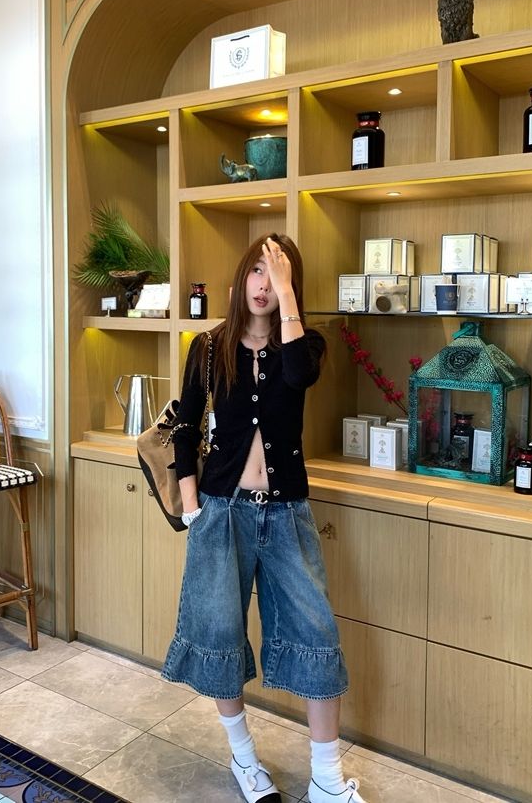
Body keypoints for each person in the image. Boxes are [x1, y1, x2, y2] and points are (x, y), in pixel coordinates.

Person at [162, 234, 366, 803]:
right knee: (220, 633)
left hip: (286, 514)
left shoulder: (304, 345)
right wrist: (191, 506)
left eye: (276, 273)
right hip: (220, 512)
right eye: (256, 269)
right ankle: (245, 760)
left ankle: (327, 780)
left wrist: (288, 295)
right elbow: (185, 427)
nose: (264, 283)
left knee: (316, 632)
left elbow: (299, 377)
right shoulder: (207, 347)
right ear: (239, 278)